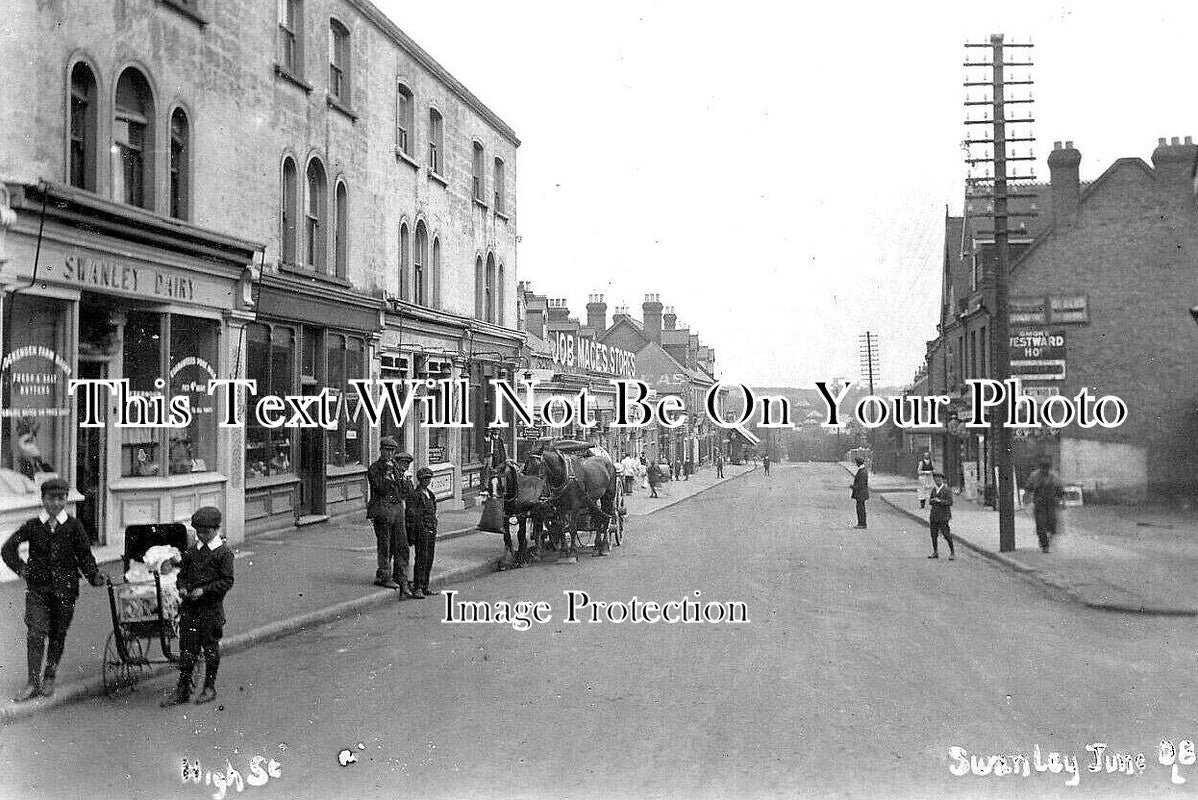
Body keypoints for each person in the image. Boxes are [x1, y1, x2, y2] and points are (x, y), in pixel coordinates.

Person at [2, 478, 106, 701]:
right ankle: (32, 682)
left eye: (61, 499)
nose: (56, 504)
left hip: (65, 590)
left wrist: (94, 575)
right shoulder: (32, 526)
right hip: (38, 590)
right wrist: (22, 570)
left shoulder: (74, 526)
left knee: (58, 634)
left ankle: (49, 675)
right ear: (43, 500)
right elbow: (8, 549)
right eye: (51, 499)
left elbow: (85, 556)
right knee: (35, 633)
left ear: (66, 500)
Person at [161, 506, 234, 706]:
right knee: (187, 649)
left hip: (210, 609)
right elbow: (182, 575)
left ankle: (209, 687)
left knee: (210, 648)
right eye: (198, 532)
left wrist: (204, 590)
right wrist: (183, 588)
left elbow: (227, 581)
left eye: (206, 532)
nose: (201, 535)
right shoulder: (193, 551)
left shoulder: (223, 553)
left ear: (216, 530)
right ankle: (183, 688)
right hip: (190, 608)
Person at [366, 438, 414, 594]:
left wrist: (405, 479)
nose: (390, 453)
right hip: (382, 508)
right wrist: (388, 474)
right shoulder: (375, 468)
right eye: (387, 450)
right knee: (385, 545)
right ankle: (384, 576)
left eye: (392, 451)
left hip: (397, 509)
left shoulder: (396, 468)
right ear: (381, 450)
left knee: (401, 544)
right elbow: (380, 488)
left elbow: (405, 492)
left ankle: (401, 576)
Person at [406, 467, 439, 599]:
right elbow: (411, 515)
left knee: (429, 558)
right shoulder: (415, 495)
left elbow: (434, 510)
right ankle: (418, 587)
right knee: (421, 558)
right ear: (420, 480)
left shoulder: (430, 494)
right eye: (425, 479)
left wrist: (434, 524)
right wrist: (415, 531)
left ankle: (425, 586)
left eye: (429, 478)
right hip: (421, 530)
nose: (427, 481)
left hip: (430, 529)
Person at [1025, 456, 1063, 553]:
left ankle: (1047, 540)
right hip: (1039, 503)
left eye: (1047, 467)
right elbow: (1029, 488)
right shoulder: (1034, 476)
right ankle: (1044, 544)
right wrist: (1027, 502)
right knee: (1041, 525)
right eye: (1043, 467)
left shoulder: (1054, 476)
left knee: (1052, 524)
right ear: (1040, 467)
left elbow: (1059, 490)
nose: (1045, 470)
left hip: (1051, 503)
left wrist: (1062, 502)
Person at [927, 472, 955, 560]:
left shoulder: (946, 489)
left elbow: (950, 502)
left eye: (939, 478)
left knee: (946, 534)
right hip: (934, 515)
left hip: (943, 516)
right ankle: (935, 552)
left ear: (942, 479)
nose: (937, 480)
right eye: (935, 479)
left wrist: (939, 501)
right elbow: (930, 502)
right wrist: (933, 500)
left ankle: (952, 552)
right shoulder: (934, 489)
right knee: (933, 534)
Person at [850, 457, 869, 529]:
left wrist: (853, 487)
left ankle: (862, 524)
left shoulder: (862, 472)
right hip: (861, 494)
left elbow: (861, 484)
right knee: (860, 508)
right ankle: (861, 523)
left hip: (861, 494)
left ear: (858, 463)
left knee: (860, 509)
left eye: (856, 463)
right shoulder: (863, 470)